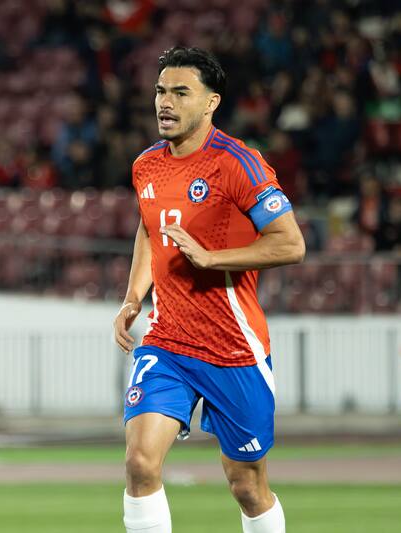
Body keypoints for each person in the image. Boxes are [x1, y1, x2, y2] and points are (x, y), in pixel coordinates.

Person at [113, 47, 305, 533]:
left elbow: (291, 243)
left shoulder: (239, 164)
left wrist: (211, 258)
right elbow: (148, 228)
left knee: (247, 485)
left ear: (211, 102)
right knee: (139, 464)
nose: (166, 102)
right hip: (169, 340)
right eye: (161, 91)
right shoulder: (146, 166)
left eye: (181, 92)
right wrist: (135, 296)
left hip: (233, 348)